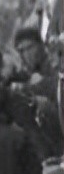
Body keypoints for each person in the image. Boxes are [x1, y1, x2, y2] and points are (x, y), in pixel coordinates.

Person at [10, 26, 64, 160]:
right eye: (20, 51)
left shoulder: (54, 63)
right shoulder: (29, 72)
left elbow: (58, 85)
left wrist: (37, 85)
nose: (25, 55)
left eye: (28, 48)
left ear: (40, 45)